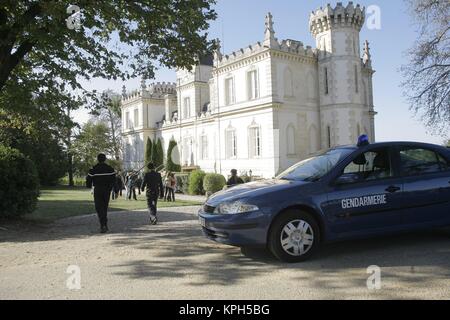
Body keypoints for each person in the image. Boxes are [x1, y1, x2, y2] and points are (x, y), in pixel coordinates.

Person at [86, 154, 116, 233]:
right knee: (104, 207)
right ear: (105, 159)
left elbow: (89, 179)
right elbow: (114, 180)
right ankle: (104, 224)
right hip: (107, 190)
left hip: (98, 189)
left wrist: (89, 186)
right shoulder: (110, 169)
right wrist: (115, 190)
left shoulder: (94, 169)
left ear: (97, 159)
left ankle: (103, 224)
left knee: (98, 207)